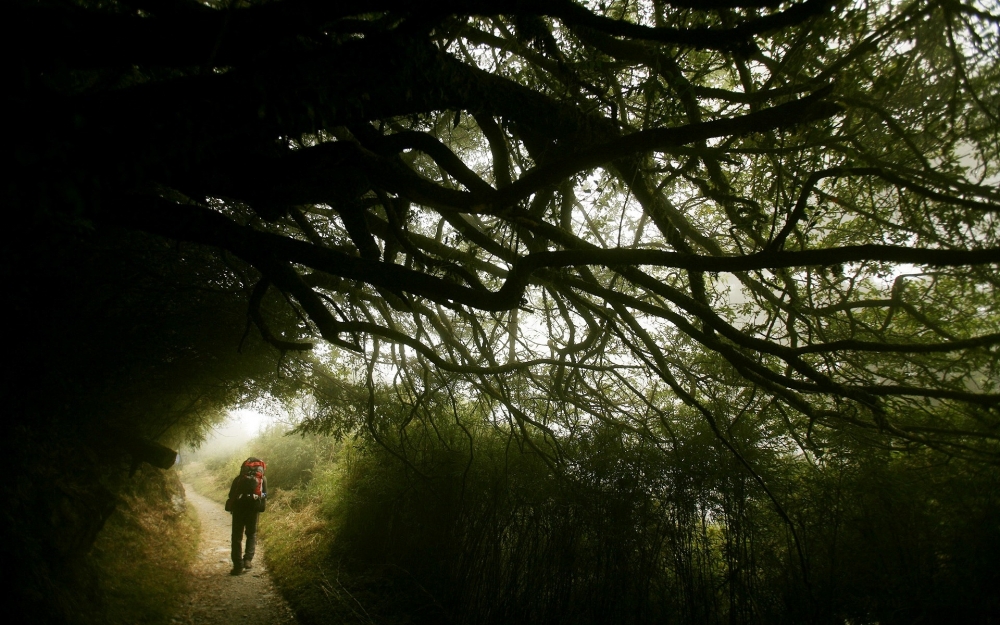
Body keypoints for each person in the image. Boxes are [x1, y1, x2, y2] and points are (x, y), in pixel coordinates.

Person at [227, 457, 267, 575]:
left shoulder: (238, 479)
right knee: (251, 534)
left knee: (236, 537)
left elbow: (231, 494)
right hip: (253, 509)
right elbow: (264, 494)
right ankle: (248, 560)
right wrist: (259, 502)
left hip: (239, 508)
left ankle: (237, 566)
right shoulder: (262, 479)